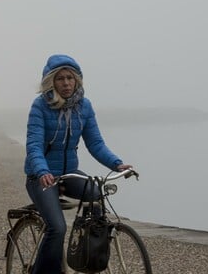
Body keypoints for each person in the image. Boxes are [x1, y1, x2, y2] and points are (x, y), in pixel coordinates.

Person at [24, 54, 133, 274]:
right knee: (57, 228)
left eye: (70, 78)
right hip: (41, 177)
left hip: (70, 173)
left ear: (77, 81)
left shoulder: (84, 106)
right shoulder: (40, 106)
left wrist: (116, 163)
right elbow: (34, 145)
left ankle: (86, 256)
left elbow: (95, 143)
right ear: (51, 81)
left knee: (97, 197)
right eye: (60, 78)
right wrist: (42, 170)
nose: (66, 83)